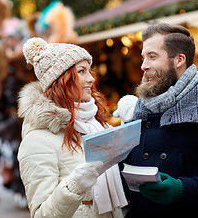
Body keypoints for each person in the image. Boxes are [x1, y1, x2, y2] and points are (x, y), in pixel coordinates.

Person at [114, 23, 198, 218]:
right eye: (144, 57)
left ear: (179, 60)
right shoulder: (139, 110)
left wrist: (180, 189)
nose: (143, 66)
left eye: (152, 56)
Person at [17, 37, 127, 218]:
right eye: (81, 71)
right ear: (62, 80)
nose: (91, 78)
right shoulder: (37, 140)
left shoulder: (97, 125)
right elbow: (40, 214)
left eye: (89, 70)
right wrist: (74, 185)